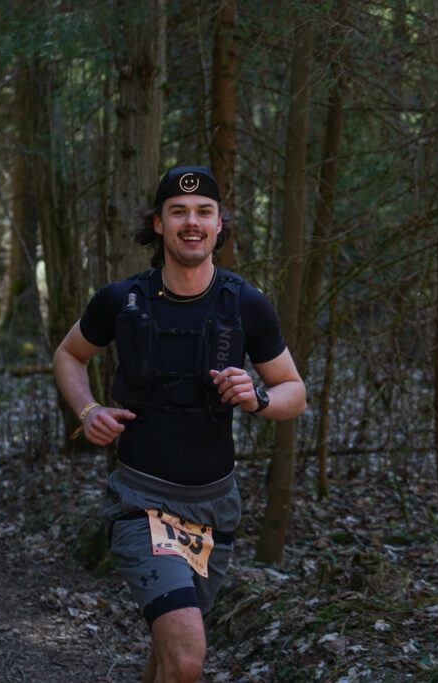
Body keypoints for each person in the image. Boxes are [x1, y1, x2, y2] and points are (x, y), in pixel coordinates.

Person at [52, 165, 307, 682]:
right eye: (178, 212)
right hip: (141, 503)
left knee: (170, 656)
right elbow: (69, 354)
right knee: (188, 656)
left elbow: (294, 392)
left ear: (219, 223)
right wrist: (88, 410)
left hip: (215, 508)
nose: (192, 222)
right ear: (159, 223)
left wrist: (258, 397)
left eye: (204, 212)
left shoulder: (246, 304)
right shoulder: (121, 299)